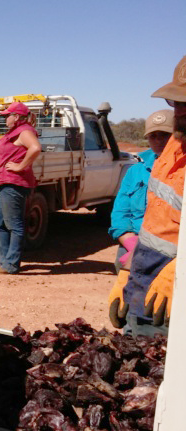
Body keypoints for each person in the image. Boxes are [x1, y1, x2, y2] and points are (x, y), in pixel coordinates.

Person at [109, 55, 186, 336]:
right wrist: (128, 271)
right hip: (144, 284)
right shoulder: (172, 151)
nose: (178, 112)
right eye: (175, 102)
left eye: (185, 104)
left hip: (177, 294)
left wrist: (180, 272)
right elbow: (154, 223)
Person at [0, 102, 42, 274]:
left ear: (17, 117)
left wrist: (20, 166)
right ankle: (4, 261)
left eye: (8, 115)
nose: (5, 118)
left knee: (13, 224)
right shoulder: (13, 133)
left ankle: (12, 264)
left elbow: (36, 148)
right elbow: (4, 148)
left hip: (13, 183)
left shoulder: (25, 131)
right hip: (3, 183)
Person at [109, 110, 174, 272]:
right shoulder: (135, 171)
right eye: (153, 136)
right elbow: (120, 212)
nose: (158, 140)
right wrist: (131, 243)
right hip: (137, 241)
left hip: (172, 245)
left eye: (165, 135)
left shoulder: (181, 172)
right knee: (124, 272)